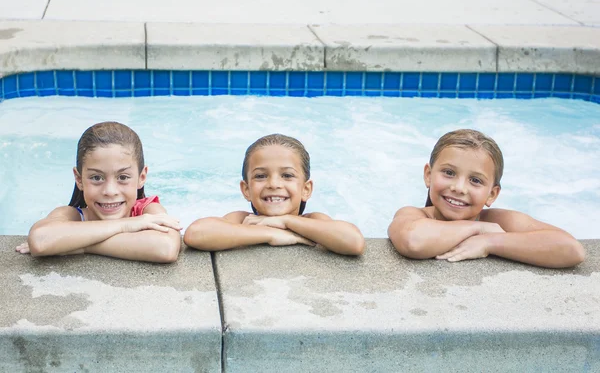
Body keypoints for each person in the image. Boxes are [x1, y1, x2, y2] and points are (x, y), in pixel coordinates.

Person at [387, 129, 585, 268]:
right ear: (428, 175)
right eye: (448, 172)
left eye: (475, 180)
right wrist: (477, 228)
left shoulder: (498, 222)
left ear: (492, 194)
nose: (458, 188)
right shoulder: (413, 215)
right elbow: (413, 241)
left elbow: (571, 249)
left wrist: (490, 242)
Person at [16, 121, 182, 263]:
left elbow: (166, 248)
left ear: (141, 177)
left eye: (123, 177)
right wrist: (125, 225)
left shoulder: (147, 210)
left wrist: (80, 244)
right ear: (79, 179)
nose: (110, 191)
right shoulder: (72, 215)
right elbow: (40, 240)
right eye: (96, 178)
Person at [184, 133, 365, 255]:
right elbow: (196, 233)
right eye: (261, 176)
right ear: (246, 190)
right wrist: (270, 234)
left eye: (287, 175)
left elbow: (354, 242)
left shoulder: (314, 221)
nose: (274, 184)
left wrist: (286, 221)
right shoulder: (242, 220)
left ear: (306, 189)